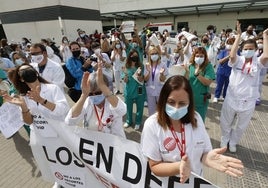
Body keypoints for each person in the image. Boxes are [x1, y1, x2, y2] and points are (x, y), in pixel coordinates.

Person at [140, 75, 244, 185]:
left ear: (189, 103)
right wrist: (178, 166)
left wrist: (208, 158)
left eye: (182, 103)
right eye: (171, 102)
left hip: (194, 183)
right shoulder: (152, 125)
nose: (176, 108)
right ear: (163, 100)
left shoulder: (196, 119)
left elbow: (204, 153)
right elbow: (154, 166)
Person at [3, 64, 69, 188]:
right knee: (51, 160)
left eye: (30, 69)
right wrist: (23, 107)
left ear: (36, 73)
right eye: (23, 71)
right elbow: (28, 122)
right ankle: (59, 180)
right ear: (21, 78)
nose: (28, 72)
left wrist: (41, 100)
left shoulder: (52, 88)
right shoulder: (23, 96)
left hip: (59, 134)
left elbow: (63, 110)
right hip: (40, 136)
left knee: (66, 159)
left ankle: (71, 181)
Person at [220, 22, 268, 153]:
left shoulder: (257, 63)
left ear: (256, 50)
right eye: (246, 48)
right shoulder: (238, 60)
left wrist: (265, 36)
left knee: (241, 126)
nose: (248, 51)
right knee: (226, 121)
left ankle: (234, 142)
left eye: (251, 49)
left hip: (248, 101)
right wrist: (239, 36)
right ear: (242, 50)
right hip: (232, 98)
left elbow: (266, 56)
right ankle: (224, 140)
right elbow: (231, 55)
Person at [65, 63, 126, 138]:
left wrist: (102, 86)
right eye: (90, 94)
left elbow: (122, 111)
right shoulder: (88, 102)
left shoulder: (113, 102)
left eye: (98, 92)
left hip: (113, 144)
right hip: (92, 144)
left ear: (105, 89)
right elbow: (69, 121)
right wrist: (84, 95)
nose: (94, 96)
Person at [188, 47, 215, 122]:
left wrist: (198, 75)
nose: (199, 58)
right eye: (197, 56)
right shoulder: (190, 66)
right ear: (194, 56)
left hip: (200, 100)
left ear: (205, 57)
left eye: (201, 56)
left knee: (199, 122)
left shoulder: (208, 67)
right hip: (189, 99)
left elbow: (207, 82)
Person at [123, 49, 146, 130]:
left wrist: (140, 76)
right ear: (129, 57)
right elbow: (125, 80)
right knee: (128, 107)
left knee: (140, 107)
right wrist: (125, 75)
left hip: (139, 89)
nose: (134, 58)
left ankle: (138, 122)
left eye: (136, 56)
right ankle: (129, 121)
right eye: (133, 56)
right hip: (129, 90)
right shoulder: (126, 66)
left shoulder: (141, 66)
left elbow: (142, 79)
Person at [144, 47, 168, 116]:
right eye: (152, 54)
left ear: (158, 55)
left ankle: (162, 122)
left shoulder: (163, 65)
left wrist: (161, 74)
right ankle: (152, 124)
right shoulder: (147, 65)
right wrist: (149, 71)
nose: (154, 55)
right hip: (150, 90)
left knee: (161, 108)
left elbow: (163, 79)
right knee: (151, 109)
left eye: (156, 53)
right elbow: (145, 79)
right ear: (149, 55)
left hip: (159, 89)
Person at [213, 37, 234, 103]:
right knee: (219, 84)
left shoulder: (237, 52)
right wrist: (228, 56)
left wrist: (232, 54)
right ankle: (216, 96)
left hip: (231, 71)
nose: (229, 45)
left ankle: (225, 96)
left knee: (227, 85)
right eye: (228, 43)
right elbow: (220, 61)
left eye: (231, 43)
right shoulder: (223, 51)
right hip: (221, 71)